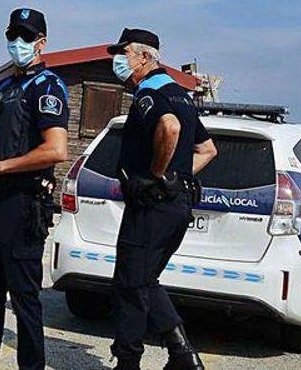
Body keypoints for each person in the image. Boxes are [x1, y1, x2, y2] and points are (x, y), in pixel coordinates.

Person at [106, 28, 217, 370]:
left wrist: (156, 175)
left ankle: (131, 361)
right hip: (176, 204)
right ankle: (181, 353)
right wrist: (179, 177)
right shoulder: (179, 93)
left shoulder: (149, 92)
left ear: (144, 57)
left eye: (121, 54)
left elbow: (169, 129)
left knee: (129, 284)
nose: (116, 61)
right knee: (143, 280)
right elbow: (208, 150)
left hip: (152, 205)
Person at [0, 7, 70, 370]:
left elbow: (56, 149)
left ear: (41, 43)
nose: (17, 43)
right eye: (13, 36)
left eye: (26, 37)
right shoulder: (5, 87)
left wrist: (1, 167)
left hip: (23, 204)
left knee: (25, 299)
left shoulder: (48, 86)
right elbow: (3, 143)